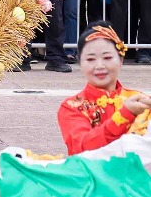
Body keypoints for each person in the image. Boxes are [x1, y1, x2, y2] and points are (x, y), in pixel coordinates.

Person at [58, 22, 149, 155]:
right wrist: (124, 115)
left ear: (121, 60)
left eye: (107, 57)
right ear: (80, 63)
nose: (99, 65)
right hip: (92, 175)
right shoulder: (72, 107)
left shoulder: (139, 101)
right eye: (90, 59)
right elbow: (81, 149)